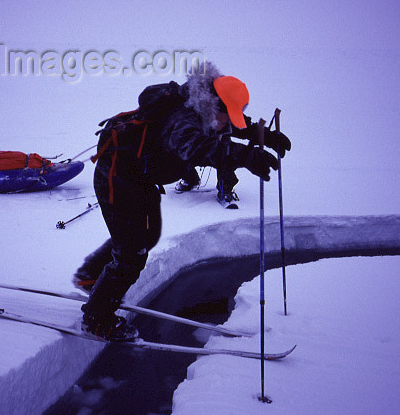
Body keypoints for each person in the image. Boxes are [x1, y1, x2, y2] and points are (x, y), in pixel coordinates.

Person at [73, 62, 291, 341]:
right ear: (214, 104)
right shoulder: (181, 119)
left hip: (140, 176)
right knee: (132, 253)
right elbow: (197, 147)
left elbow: (234, 127)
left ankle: (91, 277)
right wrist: (244, 157)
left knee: (147, 237)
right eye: (227, 115)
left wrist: (264, 135)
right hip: (116, 176)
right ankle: (96, 318)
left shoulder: (206, 108)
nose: (228, 123)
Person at [174, 116, 291, 208]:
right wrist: (244, 155)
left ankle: (225, 189)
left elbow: (243, 127)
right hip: (191, 149)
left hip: (219, 146)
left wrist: (267, 137)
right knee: (179, 157)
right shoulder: (188, 117)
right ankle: (190, 180)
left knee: (226, 156)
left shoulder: (224, 111)